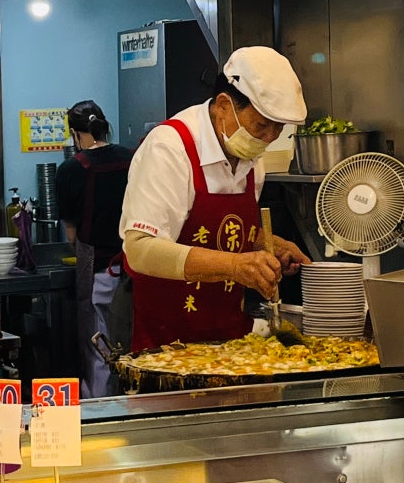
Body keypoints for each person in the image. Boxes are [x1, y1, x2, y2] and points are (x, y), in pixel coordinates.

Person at [120, 45, 310, 351]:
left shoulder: (250, 153)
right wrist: (235, 266)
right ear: (224, 105)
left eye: (279, 129)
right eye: (261, 126)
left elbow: (224, 230)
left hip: (231, 342)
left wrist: (268, 245)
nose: (269, 139)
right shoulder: (171, 147)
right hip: (168, 344)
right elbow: (140, 249)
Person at [56, 100, 133, 397]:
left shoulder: (70, 169)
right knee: (130, 343)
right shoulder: (130, 158)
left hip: (97, 271)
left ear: (76, 134)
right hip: (134, 269)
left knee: (98, 345)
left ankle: (101, 410)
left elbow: (71, 235)